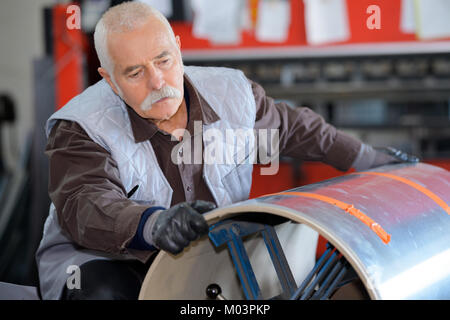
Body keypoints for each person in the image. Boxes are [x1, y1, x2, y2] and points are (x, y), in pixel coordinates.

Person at [35, 2, 418, 300]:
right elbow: (85, 204)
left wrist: (369, 160)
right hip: (106, 260)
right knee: (104, 291)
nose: (157, 82)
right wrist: (153, 224)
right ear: (109, 80)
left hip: (205, 252)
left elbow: (295, 130)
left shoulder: (232, 93)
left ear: (179, 49)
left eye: (164, 60)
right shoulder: (81, 126)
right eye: (134, 73)